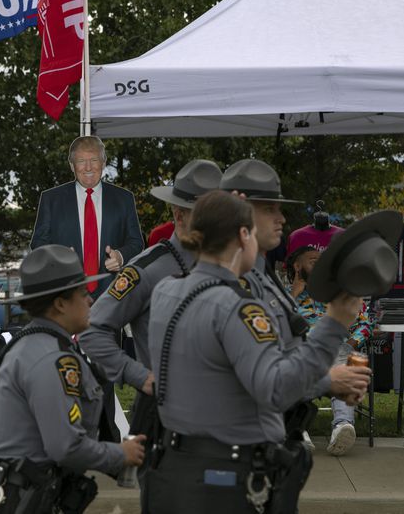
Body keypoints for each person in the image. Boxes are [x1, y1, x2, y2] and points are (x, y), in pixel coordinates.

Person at [145, 190, 371, 513]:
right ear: (242, 236)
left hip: (173, 469)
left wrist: (326, 381)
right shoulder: (237, 308)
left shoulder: (167, 290)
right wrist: (335, 324)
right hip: (224, 482)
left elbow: (225, 377)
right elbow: (275, 389)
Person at [78, 159, 222, 495]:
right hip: (169, 423)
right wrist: (138, 375)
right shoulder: (147, 269)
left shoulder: (230, 265)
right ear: (179, 214)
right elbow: (92, 330)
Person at [0, 244, 146, 514]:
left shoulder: (42, 345)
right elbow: (66, 447)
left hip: (27, 492)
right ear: (61, 304)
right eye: (82, 292)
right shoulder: (50, 359)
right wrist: (121, 454)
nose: (90, 300)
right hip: (24, 499)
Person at [220, 159, 371, 451]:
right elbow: (260, 378)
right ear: (239, 211)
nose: (282, 219)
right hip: (234, 448)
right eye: (269, 209)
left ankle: (338, 424)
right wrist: (328, 382)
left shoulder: (262, 278)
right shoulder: (230, 284)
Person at [286, 246, 374, 456]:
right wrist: (293, 294)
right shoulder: (281, 295)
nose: (320, 265)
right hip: (300, 349)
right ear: (297, 266)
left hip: (336, 348)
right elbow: (272, 323)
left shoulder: (339, 291)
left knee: (344, 368)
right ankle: (298, 431)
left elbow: (365, 322)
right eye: (313, 260)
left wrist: (352, 342)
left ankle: (342, 428)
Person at [30, 136, 144, 297]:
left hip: (112, 295)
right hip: (65, 294)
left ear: (103, 163)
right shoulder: (51, 199)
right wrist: (57, 256)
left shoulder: (124, 198)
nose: (88, 167)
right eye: (81, 161)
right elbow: (38, 242)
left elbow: (136, 242)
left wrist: (120, 255)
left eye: (94, 160)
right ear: (72, 166)